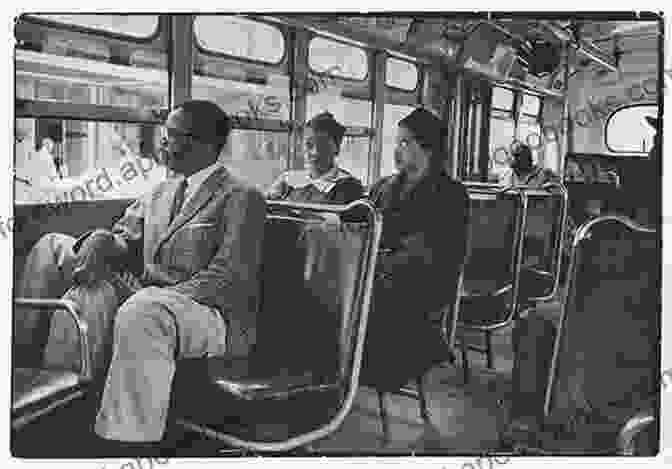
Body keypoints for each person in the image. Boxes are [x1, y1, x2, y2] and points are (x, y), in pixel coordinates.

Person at [16, 100, 266, 454]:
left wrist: (158, 296)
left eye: (175, 136)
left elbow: (229, 277)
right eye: (166, 135)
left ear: (209, 144)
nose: (164, 144)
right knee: (51, 249)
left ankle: (129, 446)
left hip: (211, 314)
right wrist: (103, 242)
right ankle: (36, 384)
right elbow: (126, 240)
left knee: (141, 309)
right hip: (152, 297)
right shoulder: (161, 191)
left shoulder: (242, 197)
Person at [360, 107, 469, 392]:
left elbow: (437, 256)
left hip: (421, 286)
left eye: (405, 143)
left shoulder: (451, 195)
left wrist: (376, 263)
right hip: (379, 273)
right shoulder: (381, 188)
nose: (397, 150)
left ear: (428, 148)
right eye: (396, 142)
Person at [266, 111, 364, 204]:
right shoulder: (288, 180)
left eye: (323, 146)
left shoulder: (349, 187)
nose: (315, 152)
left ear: (337, 148)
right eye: (309, 145)